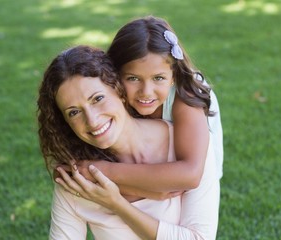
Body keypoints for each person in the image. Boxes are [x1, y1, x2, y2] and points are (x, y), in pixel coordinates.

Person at [37, 45, 220, 239]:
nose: (92, 120)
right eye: (74, 112)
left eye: (98, 98)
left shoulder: (188, 148)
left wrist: (116, 203)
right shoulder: (78, 178)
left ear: (120, 91)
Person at [73, 15, 223, 195]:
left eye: (158, 78)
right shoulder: (111, 96)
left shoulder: (185, 96)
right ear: (114, 75)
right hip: (149, 166)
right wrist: (150, 191)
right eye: (133, 78)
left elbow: (190, 175)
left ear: (173, 76)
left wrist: (105, 171)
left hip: (196, 173)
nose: (146, 91)